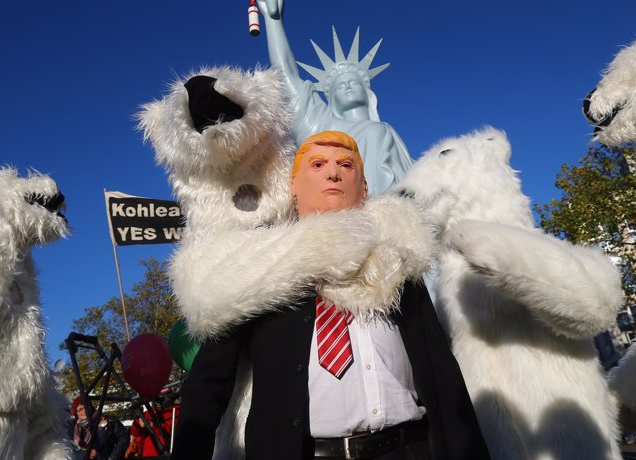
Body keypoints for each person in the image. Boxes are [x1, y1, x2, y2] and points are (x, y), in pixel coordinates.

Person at [171, 131, 489, 459]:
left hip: (407, 448)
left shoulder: (398, 261)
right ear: (293, 186)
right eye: (318, 164)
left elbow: (443, 378)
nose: (334, 173)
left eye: (346, 165)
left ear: (364, 188)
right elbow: (208, 385)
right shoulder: (259, 268)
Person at [257, 0, 413, 195]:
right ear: (331, 97)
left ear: (368, 94)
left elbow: (415, 177)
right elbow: (286, 75)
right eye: (340, 85)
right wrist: (274, 21)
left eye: (354, 82)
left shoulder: (386, 132)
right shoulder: (324, 126)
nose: (347, 86)